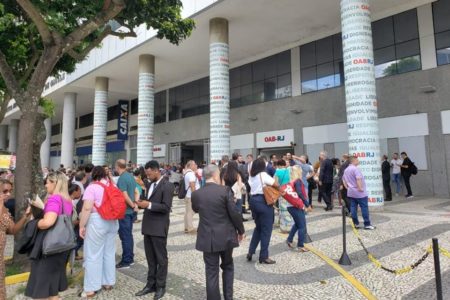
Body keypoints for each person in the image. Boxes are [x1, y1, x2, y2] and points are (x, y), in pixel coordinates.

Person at [192, 164, 245, 300]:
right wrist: (241, 230)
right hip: (225, 235)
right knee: (227, 266)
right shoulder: (225, 190)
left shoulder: (196, 194)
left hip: (207, 237)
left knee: (211, 272)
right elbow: (234, 213)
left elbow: (196, 209)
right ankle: (228, 297)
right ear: (216, 175)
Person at [26, 172, 73, 299]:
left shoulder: (54, 199)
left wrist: (34, 222)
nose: (45, 185)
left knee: (41, 287)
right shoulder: (67, 200)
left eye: (47, 182)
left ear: (55, 183)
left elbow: (48, 222)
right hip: (62, 245)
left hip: (49, 245)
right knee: (53, 287)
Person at [135, 161, 175, 299]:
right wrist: (141, 204)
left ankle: (161, 286)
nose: (148, 176)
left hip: (159, 227)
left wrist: (149, 204)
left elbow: (166, 207)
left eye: (149, 173)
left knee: (161, 259)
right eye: (146, 173)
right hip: (148, 226)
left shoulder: (168, 186)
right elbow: (148, 202)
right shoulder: (150, 184)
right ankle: (150, 284)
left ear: (157, 170)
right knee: (151, 259)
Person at [78, 166, 119, 297]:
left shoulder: (92, 187)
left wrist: (81, 225)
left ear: (93, 175)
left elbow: (87, 208)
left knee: (93, 254)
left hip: (97, 221)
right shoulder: (113, 186)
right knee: (109, 252)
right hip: (113, 221)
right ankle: (108, 282)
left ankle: (91, 287)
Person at [0, 179, 30, 299]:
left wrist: (25, 216)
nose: (8, 194)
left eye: (10, 191)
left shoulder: (6, 211)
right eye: (5, 191)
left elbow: (12, 230)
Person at [247, 157, 279, 264]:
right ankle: (264, 256)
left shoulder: (251, 176)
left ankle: (251, 251)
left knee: (258, 228)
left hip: (253, 201)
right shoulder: (263, 175)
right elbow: (275, 184)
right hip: (263, 201)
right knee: (266, 230)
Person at [115, 159, 139, 269]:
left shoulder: (122, 178)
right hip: (131, 212)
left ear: (117, 166)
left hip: (125, 211)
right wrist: (136, 204)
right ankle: (130, 257)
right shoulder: (130, 176)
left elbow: (124, 195)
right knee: (129, 235)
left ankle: (127, 260)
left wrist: (133, 205)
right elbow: (136, 191)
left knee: (125, 236)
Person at [342, 156, 375, 230]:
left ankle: (355, 223)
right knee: (364, 208)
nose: (358, 161)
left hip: (351, 192)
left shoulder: (346, 169)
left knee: (353, 207)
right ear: (353, 161)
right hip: (359, 193)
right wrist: (360, 188)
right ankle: (367, 224)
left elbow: (344, 180)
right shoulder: (355, 169)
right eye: (357, 160)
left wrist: (347, 187)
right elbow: (358, 179)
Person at [285, 166, 309, 252]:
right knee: (302, 226)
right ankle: (300, 245)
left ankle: (289, 239)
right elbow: (299, 193)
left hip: (290, 206)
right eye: (301, 171)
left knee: (297, 224)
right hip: (297, 206)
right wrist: (307, 204)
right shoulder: (298, 181)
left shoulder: (290, 181)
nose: (302, 172)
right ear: (298, 172)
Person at [274, 159, 293, 233]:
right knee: (289, 209)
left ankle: (284, 228)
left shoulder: (277, 172)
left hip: (282, 192)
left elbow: (275, 183)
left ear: (278, 165)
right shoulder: (289, 171)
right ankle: (290, 226)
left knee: (283, 209)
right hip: (289, 191)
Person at [183, 160, 200, 234]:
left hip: (188, 195)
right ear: (191, 166)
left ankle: (186, 227)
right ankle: (190, 228)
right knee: (190, 212)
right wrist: (195, 195)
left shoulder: (187, 173)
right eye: (194, 164)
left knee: (187, 212)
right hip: (191, 196)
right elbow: (192, 185)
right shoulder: (191, 174)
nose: (196, 165)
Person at [68, 182, 84, 260]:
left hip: (72, 229)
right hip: (71, 230)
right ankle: (72, 254)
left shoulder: (71, 202)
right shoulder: (68, 203)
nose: (81, 194)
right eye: (79, 191)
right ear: (74, 191)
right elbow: (70, 221)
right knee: (79, 241)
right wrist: (81, 219)